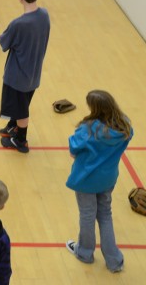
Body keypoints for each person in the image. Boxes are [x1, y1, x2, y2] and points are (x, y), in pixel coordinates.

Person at [65, 90, 132, 273]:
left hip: (86, 179)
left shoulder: (87, 129)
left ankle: (85, 253)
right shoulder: (124, 125)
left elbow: (73, 150)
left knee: (87, 215)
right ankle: (114, 260)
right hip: (108, 178)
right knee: (105, 214)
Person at [0, 0, 50, 153]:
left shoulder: (18, 24)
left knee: (21, 110)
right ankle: (13, 127)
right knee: (21, 104)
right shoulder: (44, 15)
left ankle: (21, 141)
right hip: (34, 73)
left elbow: (3, 43)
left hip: (17, 77)